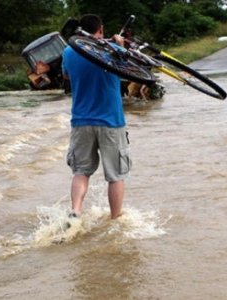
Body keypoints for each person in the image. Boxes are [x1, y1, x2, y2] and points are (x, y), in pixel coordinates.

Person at [62, 14, 130, 220]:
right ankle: (115, 218)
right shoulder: (113, 50)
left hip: (81, 121)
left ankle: (75, 210)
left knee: (81, 171)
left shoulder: (69, 51)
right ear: (100, 29)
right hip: (111, 121)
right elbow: (128, 68)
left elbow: (65, 75)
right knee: (115, 176)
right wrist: (119, 45)